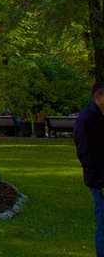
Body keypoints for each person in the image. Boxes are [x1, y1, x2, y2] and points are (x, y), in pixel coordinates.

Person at [75, 82, 104, 256]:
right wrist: (101, 183)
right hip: (99, 181)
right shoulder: (87, 119)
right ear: (98, 97)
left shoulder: (100, 116)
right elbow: (87, 155)